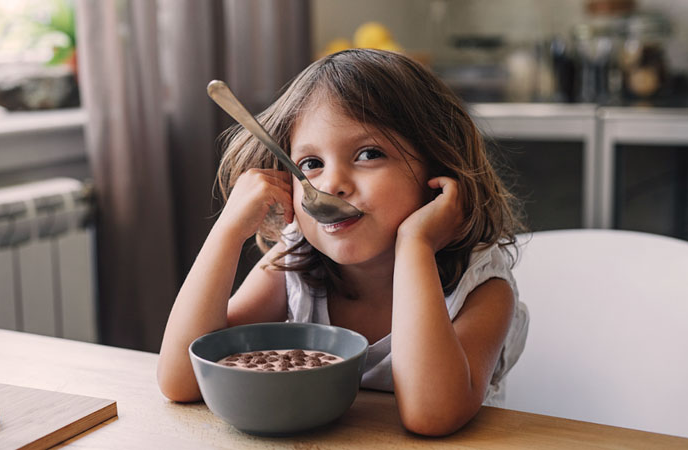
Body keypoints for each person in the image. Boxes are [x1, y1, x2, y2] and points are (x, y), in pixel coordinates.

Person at [157, 49, 529, 436]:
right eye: (310, 164)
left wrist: (415, 245)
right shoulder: (296, 261)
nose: (330, 184)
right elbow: (182, 380)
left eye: (368, 154)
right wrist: (228, 231)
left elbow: (432, 416)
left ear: (437, 170)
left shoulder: (482, 288)